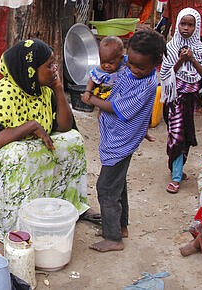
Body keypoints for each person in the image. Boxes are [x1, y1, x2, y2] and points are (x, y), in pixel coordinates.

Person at [0, 39, 89, 241]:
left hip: (18, 148)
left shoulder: (44, 90)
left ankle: (61, 207)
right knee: (19, 156)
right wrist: (30, 126)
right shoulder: (4, 93)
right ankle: (16, 226)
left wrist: (58, 88)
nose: (55, 68)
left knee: (73, 141)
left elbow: (65, 127)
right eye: (49, 65)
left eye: (54, 63)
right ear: (30, 70)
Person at [81, 30, 165, 252]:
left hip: (122, 139)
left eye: (141, 68)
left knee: (106, 188)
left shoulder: (146, 85)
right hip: (121, 134)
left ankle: (113, 238)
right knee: (118, 184)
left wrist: (93, 100)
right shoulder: (130, 63)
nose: (134, 70)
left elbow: (118, 108)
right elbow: (115, 58)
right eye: (131, 64)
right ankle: (120, 227)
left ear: (156, 63)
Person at [160, 7, 202, 194]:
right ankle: (176, 172)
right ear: (177, 25)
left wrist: (191, 59)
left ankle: (176, 173)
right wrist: (179, 61)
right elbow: (166, 74)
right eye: (183, 24)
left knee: (184, 138)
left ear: (197, 27)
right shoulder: (171, 47)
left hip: (190, 101)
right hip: (174, 101)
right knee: (176, 136)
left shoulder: (199, 48)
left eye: (191, 25)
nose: (186, 28)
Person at [82, 36, 126, 101]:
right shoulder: (100, 70)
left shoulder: (126, 62)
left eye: (110, 63)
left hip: (120, 98)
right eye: (103, 62)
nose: (106, 66)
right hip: (105, 97)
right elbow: (91, 79)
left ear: (121, 58)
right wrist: (87, 91)